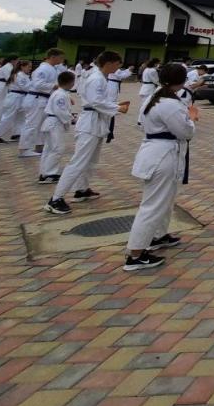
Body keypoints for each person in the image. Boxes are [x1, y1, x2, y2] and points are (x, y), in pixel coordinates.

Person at [124, 63, 195, 272]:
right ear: (181, 81)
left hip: (159, 150)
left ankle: (158, 235)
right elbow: (185, 132)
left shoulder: (156, 96)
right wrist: (192, 119)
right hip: (163, 155)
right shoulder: (169, 103)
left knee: (165, 201)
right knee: (152, 205)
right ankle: (135, 253)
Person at [45, 52, 130, 215]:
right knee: (78, 161)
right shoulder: (96, 78)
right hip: (90, 123)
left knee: (90, 160)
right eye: (118, 63)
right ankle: (55, 199)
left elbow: (97, 100)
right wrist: (117, 108)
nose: (119, 67)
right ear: (109, 63)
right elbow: (94, 101)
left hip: (96, 122)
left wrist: (115, 104)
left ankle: (81, 189)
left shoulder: (99, 77)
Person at [20, 48, 65, 158]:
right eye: (60, 57)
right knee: (31, 124)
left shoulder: (52, 68)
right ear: (53, 57)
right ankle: (24, 149)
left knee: (40, 125)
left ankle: (38, 145)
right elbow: (38, 84)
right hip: (36, 99)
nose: (62, 60)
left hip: (43, 99)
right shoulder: (43, 69)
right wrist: (55, 86)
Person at [38, 70, 76, 183]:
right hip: (54, 123)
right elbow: (60, 111)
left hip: (52, 121)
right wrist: (72, 119)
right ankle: (49, 174)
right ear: (70, 82)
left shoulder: (61, 93)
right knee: (57, 148)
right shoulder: (60, 94)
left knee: (49, 149)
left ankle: (44, 172)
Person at [0, 60, 32, 143]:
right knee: (8, 117)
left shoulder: (24, 75)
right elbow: (25, 87)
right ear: (22, 66)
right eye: (29, 67)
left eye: (31, 67)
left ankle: (17, 133)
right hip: (15, 98)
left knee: (21, 117)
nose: (30, 69)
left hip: (21, 97)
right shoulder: (19, 75)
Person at [137, 58, 161, 128]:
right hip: (149, 89)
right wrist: (162, 85)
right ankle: (141, 121)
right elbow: (156, 80)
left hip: (144, 87)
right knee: (146, 106)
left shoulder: (146, 69)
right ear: (155, 63)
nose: (158, 65)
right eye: (158, 63)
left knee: (143, 105)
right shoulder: (153, 70)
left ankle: (140, 120)